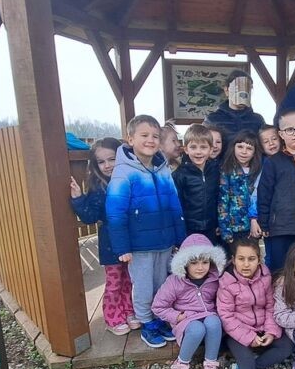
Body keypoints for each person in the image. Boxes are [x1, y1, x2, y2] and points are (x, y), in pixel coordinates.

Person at [106, 115, 186, 349]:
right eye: (144, 135)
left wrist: (179, 238)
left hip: (164, 241)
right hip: (139, 245)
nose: (150, 140)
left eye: (155, 136)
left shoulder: (163, 169)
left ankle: (159, 317)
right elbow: (115, 212)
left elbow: (174, 204)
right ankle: (146, 322)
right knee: (143, 286)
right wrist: (122, 247)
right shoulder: (124, 172)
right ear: (130, 139)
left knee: (162, 284)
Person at [217, 237, 292, 369]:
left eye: (251, 259)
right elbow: (226, 317)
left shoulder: (265, 277)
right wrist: (249, 337)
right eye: (241, 259)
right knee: (246, 358)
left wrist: (271, 331)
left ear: (259, 260)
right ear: (233, 260)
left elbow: (270, 306)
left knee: (287, 347)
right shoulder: (227, 283)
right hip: (237, 332)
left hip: (262, 326)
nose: (246, 264)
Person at [69, 137, 136, 335]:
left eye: (112, 159)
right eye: (101, 161)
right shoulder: (98, 188)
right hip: (110, 243)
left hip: (131, 241)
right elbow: (90, 217)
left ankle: (128, 311)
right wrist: (79, 199)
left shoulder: (131, 180)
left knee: (129, 279)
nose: (107, 165)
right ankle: (112, 317)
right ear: (95, 165)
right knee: (115, 282)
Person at [152, 234, 226, 369]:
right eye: (194, 263)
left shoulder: (215, 279)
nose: (200, 267)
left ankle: (210, 363)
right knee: (197, 328)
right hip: (186, 320)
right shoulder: (175, 282)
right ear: (184, 263)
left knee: (214, 322)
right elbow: (158, 306)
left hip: (209, 317)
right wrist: (177, 316)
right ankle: (182, 363)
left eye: (205, 262)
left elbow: (223, 299)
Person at [256, 110, 295, 272]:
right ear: (281, 134)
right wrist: (264, 223)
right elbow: (264, 194)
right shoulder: (273, 162)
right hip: (280, 228)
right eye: (289, 129)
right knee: (280, 271)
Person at [173, 124, 221, 245]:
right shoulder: (180, 174)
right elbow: (177, 204)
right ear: (186, 149)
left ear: (211, 149)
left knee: (210, 255)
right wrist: (180, 229)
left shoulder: (216, 171)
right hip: (189, 228)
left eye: (203, 147)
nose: (198, 152)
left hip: (211, 227)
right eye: (193, 147)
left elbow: (219, 198)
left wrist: (219, 223)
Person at [218, 130, 263, 245]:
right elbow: (223, 203)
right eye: (240, 147)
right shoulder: (227, 170)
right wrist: (226, 232)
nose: (244, 152)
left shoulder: (258, 172)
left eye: (249, 148)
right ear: (233, 148)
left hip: (253, 227)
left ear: (255, 152)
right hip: (234, 229)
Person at [203, 69, 266, 151]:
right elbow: (203, 145)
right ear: (226, 90)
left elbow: (264, 147)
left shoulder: (257, 120)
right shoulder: (212, 119)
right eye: (237, 88)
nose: (243, 92)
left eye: (247, 88)